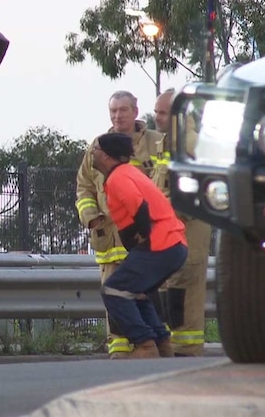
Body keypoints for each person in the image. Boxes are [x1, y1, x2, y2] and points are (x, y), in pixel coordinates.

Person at [75, 90, 164, 359]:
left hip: (145, 239)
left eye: (123, 110)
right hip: (110, 241)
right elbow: (84, 187)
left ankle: (153, 345)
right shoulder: (97, 147)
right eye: (113, 111)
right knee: (114, 296)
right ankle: (120, 349)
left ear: (135, 112)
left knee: (147, 295)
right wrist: (91, 217)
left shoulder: (155, 143)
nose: (117, 116)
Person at [92, 132, 188, 358]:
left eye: (96, 149)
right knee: (136, 292)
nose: (92, 153)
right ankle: (162, 343)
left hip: (162, 244)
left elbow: (140, 209)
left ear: (106, 156)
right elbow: (128, 225)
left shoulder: (119, 178)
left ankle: (145, 344)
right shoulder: (127, 174)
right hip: (173, 245)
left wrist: (146, 240)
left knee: (113, 290)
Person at [152, 88, 213, 356]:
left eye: (163, 113)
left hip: (188, 238)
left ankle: (188, 354)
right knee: (172, 299)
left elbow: (196, 192)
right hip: (170, 238)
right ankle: (178, 350)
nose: (157, 118)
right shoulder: (167, 144)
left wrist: (162, 210)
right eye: (156, 112)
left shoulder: (192, 145)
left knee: (185, 301)